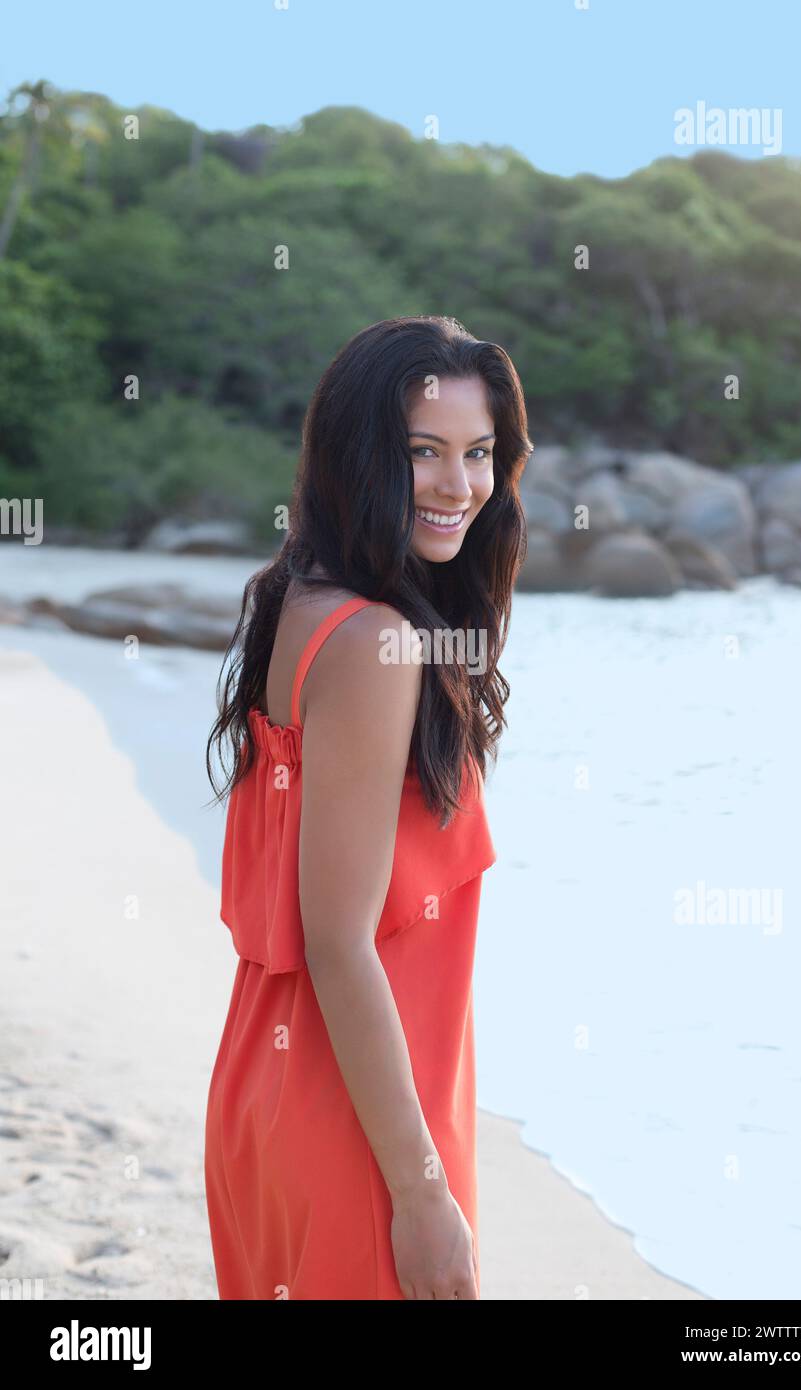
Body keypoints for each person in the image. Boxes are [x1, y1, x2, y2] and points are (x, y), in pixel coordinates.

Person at [204, 314, 531, 1299]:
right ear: (360, 455)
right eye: (420, 452)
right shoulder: (377, 641)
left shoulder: (302, 601)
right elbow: (339, 938)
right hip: (361, 1131)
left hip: (280, 1096)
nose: (457, 484)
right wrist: (423, 1191)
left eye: (477, 453)